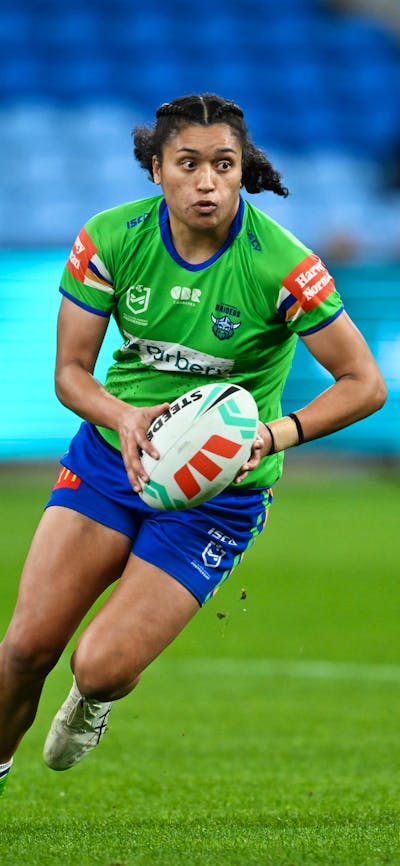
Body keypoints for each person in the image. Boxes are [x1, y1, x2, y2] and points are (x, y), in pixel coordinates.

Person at [0, 93, 387, 796]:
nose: (206, 181)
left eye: (223, 165)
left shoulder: (281, 265)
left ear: (243, 172)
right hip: (112, 459)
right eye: (188, 164)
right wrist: (120, 415)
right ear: (156, 170)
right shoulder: (111, 238)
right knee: (24, 648)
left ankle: (94, 701)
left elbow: (364, 383)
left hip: (220, 495)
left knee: (101, 665)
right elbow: (69, 374)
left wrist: (273, 435)